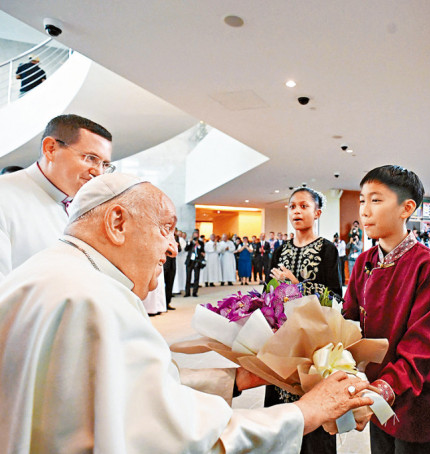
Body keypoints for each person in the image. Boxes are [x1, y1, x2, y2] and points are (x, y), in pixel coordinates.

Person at [0, 173, 375, 453]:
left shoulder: (47, 273)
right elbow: (181, 434)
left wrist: (234, 380)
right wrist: (305, 412)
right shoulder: (96, 300)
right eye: (165, 230)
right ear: (117, 223)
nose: (172, 249)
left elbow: (132, 390)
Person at [343, 165, 430, 454]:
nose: (365, 211)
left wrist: (383, 389)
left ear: (407, 208)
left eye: (376, 200)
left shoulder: (428, 266)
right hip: (377, 387)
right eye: (362, 200)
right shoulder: (364, 261)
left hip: (416, 393)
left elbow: (422, 347)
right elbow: (349, 319)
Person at [265, 187, 342, 454]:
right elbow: (267, 295)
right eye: (292, 206)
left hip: (314, 343)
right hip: (283, 341)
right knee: (281, 417)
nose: (297, 211)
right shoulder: (279, 250)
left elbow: (336, 298)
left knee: (314, 416)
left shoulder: (327, 249)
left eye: (304, 206)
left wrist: (298, 286)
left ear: (317, 212)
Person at [0, 114, 113, 281]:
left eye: (105, 164)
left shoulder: (82, 206)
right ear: (51, 149)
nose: (98, 172)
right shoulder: (5, 196)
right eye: (90, 158)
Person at [184, 229, 204, 297]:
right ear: (193, 235)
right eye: (195, 234)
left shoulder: (201, 242)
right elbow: (186, 249)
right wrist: (189, 242)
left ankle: (195, 292)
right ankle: (187, 292)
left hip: (197, 261)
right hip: (189, 261)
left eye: (197, 234)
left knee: (196, 277)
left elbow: (203, 250)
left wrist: (198, 245)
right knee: (188, 277)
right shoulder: (190, 241)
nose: (196, 235)